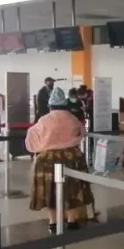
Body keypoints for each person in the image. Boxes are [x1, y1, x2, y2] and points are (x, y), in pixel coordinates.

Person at [26, 87, 93, 233]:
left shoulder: (44, 120)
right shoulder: (72, 119)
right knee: (72, 191)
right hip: (72, 159)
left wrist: (43, 146)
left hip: (47, 160)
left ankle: (53, 222)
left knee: (49, 191)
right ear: (65, 105)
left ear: (50, 105)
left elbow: (31, 136)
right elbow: (82, 133)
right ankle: (72, 221)